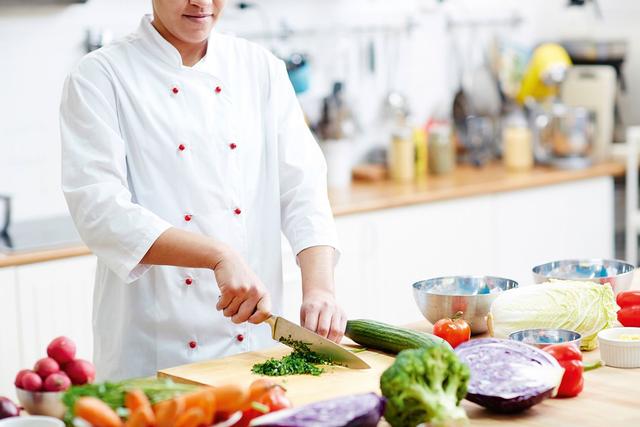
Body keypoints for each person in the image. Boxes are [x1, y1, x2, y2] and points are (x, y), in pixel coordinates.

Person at [60, 0, 344, 380]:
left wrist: (320, 289)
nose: (202, 3)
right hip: (155, 359)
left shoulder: (260, 68)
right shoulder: (100, 76)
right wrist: (218, 255)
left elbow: (303, 187)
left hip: (254, 350)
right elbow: (100, 211)